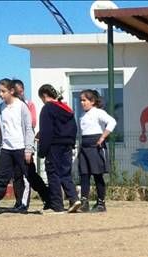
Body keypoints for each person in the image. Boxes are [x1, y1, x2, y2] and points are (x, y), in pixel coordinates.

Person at [0, 78, 35, 215]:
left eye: (3, 91)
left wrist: (28, 149)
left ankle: (22, 204)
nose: (0, 94)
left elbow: (29, 128)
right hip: (6, 148)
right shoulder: (1, 108)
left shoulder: (22, 106)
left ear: (11, 91)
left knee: (24, 177)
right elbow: (2, 126)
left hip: (21, 147)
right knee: (1, 177)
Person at [37, 84, 81, 213]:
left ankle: (57, 205)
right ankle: (74, 198)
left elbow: (46, 131)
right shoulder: (67, 109)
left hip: (54, 145)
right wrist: (71, 143)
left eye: (42, 98)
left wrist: (42, 150)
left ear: (44, 96)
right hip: (67, 144)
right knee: (65, 173)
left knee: (53, 173)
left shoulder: (48, 108)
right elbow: (74, 128)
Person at [11, 79, 49, 211]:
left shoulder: (28, 104)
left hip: (25, 145)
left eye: (21, 91)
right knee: (16, 175)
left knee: (29, 174)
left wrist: (29, 148)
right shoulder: (7, 106)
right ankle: (19, 201)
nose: (20, 94)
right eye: (17, 92)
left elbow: (32, 122)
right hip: (12, 145)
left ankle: (44, 197)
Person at [78, 89, 116, 212]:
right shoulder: (82, 116)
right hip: (84, 145)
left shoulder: (98, 112)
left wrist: (103, 137)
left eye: (84, 100)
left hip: (96, 145)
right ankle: (84, 203)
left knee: (97, 175)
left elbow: (112, 122)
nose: (82, 103)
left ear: (92, 101)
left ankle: (101, 203)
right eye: (81, 100)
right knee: (84, 175)